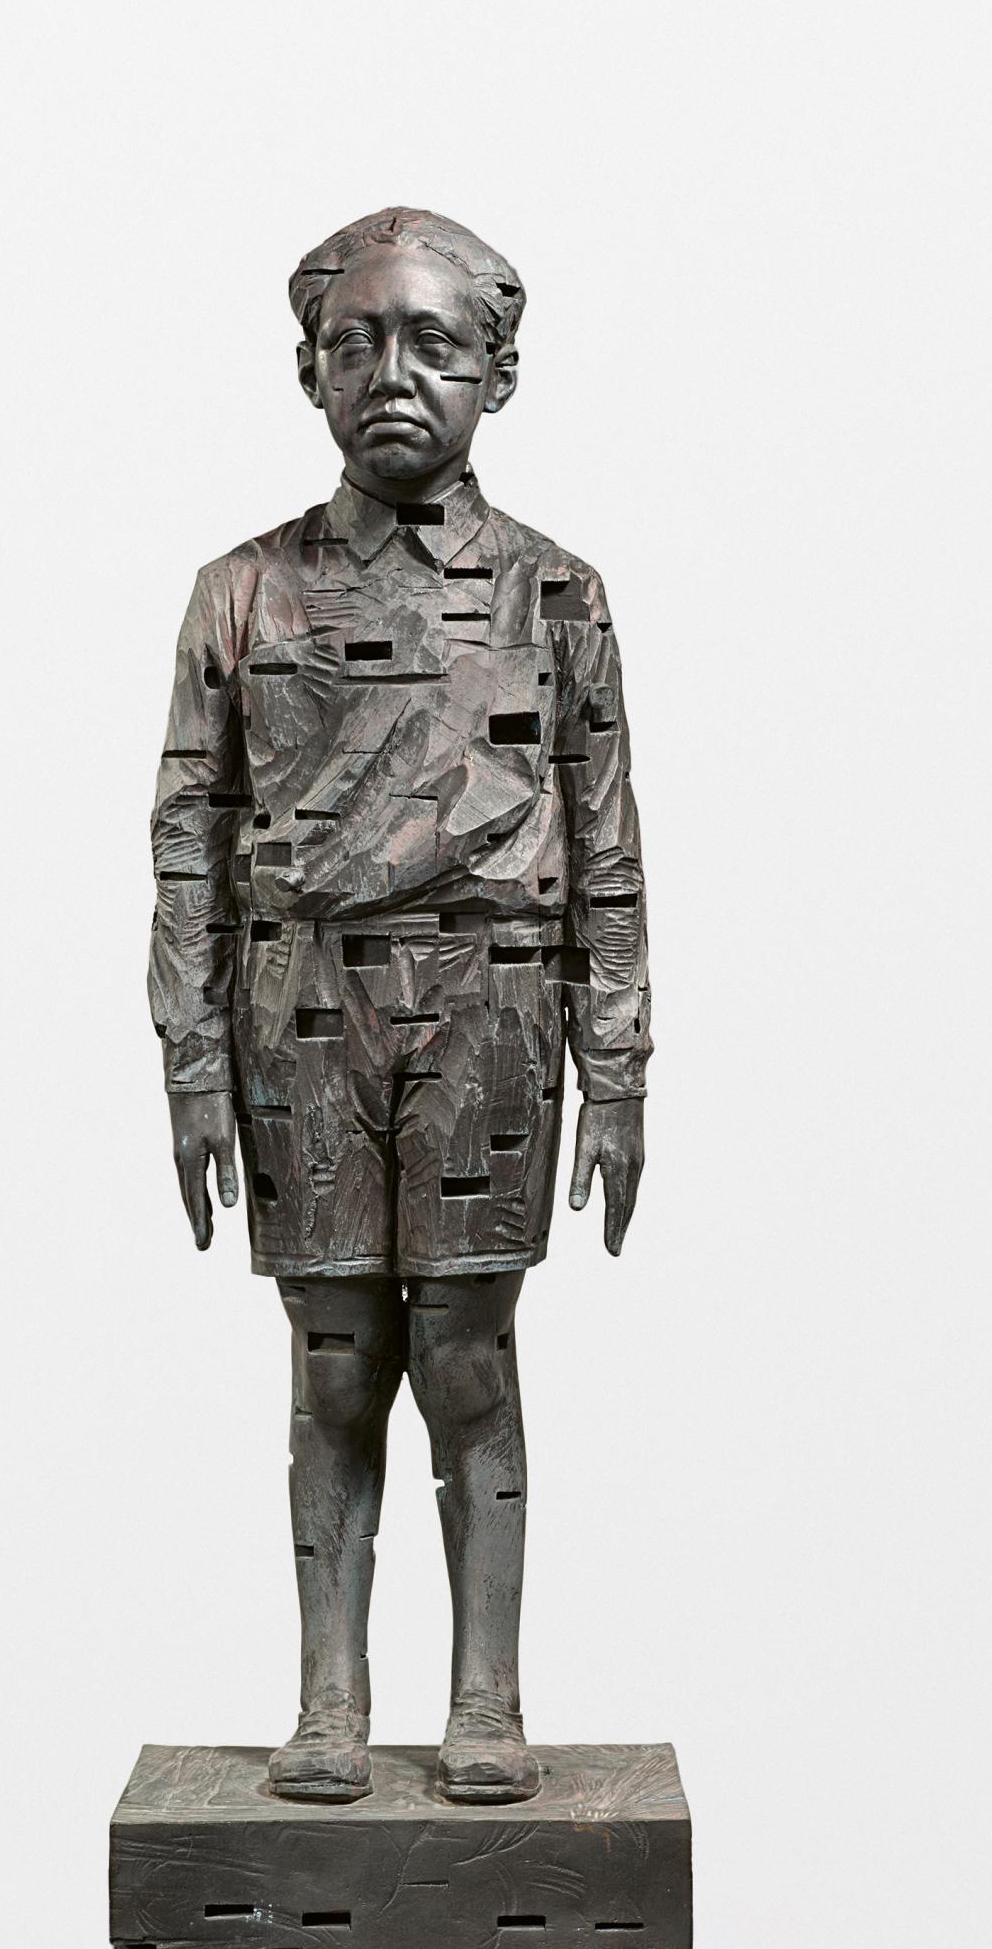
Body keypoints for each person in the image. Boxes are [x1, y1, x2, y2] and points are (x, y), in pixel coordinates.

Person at [149, 207, 652, 1805]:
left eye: (433, 342)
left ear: (498, 371)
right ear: (308, 370)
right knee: (332, 1360)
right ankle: (330, 1699)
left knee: (470, 1352)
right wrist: (190, 1058)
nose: (392, 374)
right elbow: (188, 834)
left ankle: (487, 1699)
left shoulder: (557, 595)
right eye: (355, 342)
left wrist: (619, 1063)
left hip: (490, 1008)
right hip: (300, 1008)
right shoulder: (243, 594)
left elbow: (607, 838)